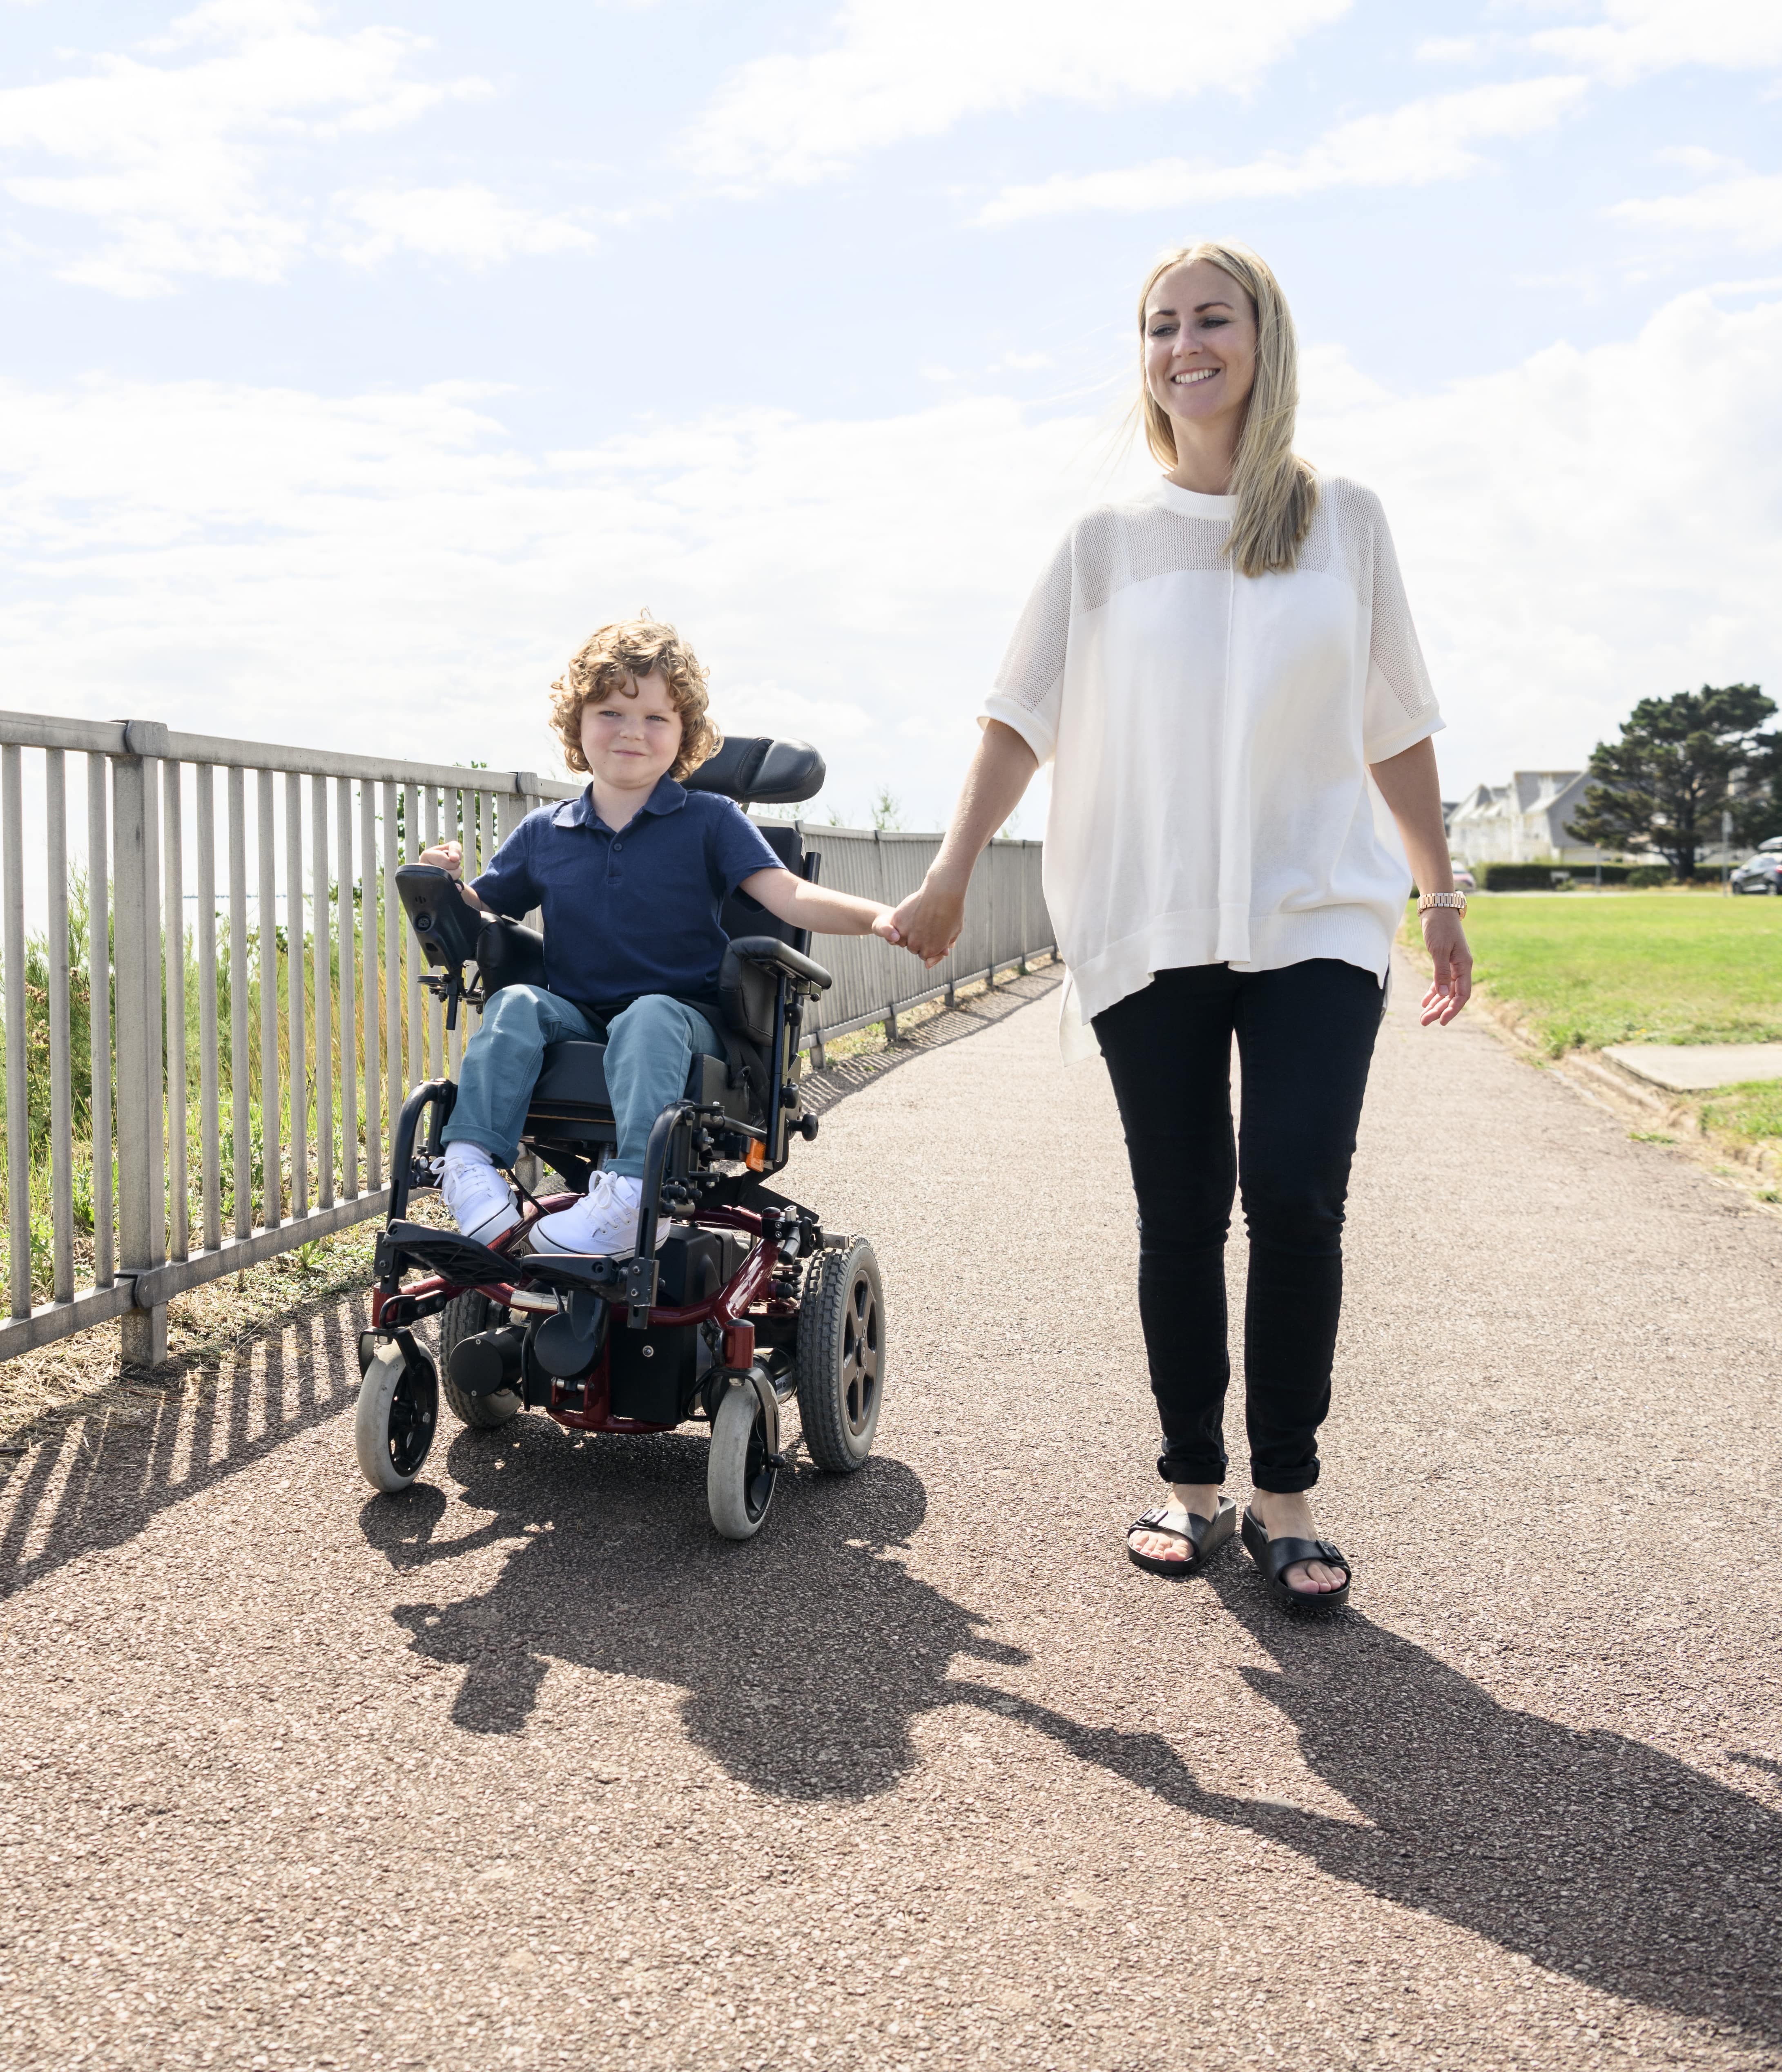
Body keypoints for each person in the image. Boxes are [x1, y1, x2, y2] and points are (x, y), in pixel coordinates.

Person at [892, 241, 1471, 1610]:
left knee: (1291, 1190)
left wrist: (1437, 892)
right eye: (1160, 326)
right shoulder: (1104, 545)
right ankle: (1193, 1480)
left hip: (1316, 911)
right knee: (1180, 1207)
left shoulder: (1348, 523)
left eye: (1211, 319)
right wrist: (948, 871)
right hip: (1148, 917)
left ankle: (1287, 1495)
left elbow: (1397, 725)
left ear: (1262, 338)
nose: (1183, 345)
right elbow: (1015, 717)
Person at [421, 614, 900, 1258]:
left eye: (655, 718)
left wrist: (878, 918)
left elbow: (787, 896)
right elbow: (484, 908)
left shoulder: (708, 819)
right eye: (612, 712)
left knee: (647, 1017)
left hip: (688, 1024)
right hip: (583, 1020)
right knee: (513, 1005)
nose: (632, 733)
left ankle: (628, 1195)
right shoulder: (546, 831)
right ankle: (470, 1164)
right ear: (579, 725)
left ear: (685, 735)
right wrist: (443, 882)